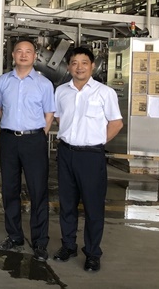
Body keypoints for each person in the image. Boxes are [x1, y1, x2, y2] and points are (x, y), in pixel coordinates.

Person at [53, 47, 123, 272]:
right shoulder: (61, 91)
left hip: (91, 156)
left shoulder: (105, 92)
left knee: (93, 207)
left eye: (84, 63)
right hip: (66, 153)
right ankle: (68, 246)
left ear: (92, 66)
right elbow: (59, 119)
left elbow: (116, 123)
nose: (79, 67)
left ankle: (93, 253)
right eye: (74, 63)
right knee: (67, 204)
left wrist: (96, 141)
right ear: (68, 67)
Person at [0, 37, 55, 261]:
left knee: (37, 191)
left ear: (35, 56)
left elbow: (49, 113)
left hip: (34, 140)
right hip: (9, 139)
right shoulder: (3, 81)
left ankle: (40, 242)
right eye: (19, 51)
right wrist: (12, 126)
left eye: (28, 51)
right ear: (13, 55)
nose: (23, 55)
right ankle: (15, 236)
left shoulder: (44, 84)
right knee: (9, 189)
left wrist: (39, 135)